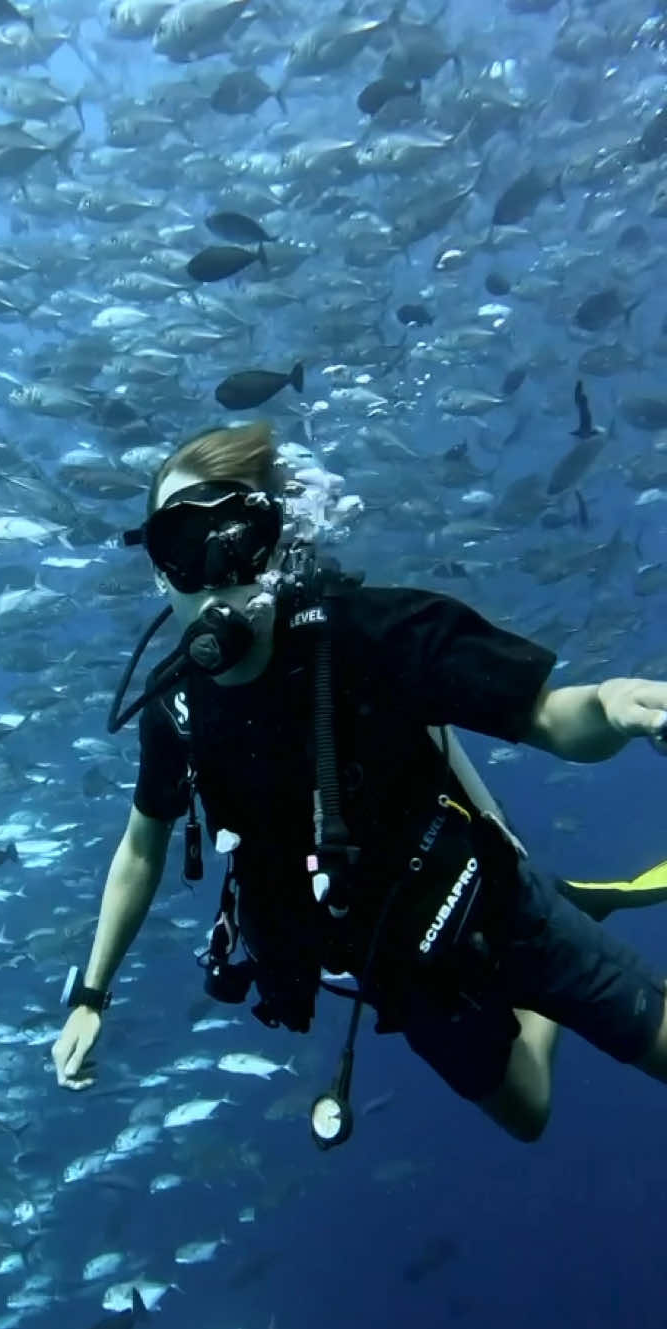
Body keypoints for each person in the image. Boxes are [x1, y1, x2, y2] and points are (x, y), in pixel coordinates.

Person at [51, 421, 667, 1144]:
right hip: (401, 970)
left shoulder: (376, 634)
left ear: (279, 539)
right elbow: (141, 848)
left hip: (496, 908)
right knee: (526, 1112)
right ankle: (545, 986)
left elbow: (550, 719)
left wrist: (607, 704)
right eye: (184, 546)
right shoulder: (174, 707)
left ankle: (559, 921)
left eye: (238, 536)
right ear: (159, 569)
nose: (219, 570)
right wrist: (91, 994)